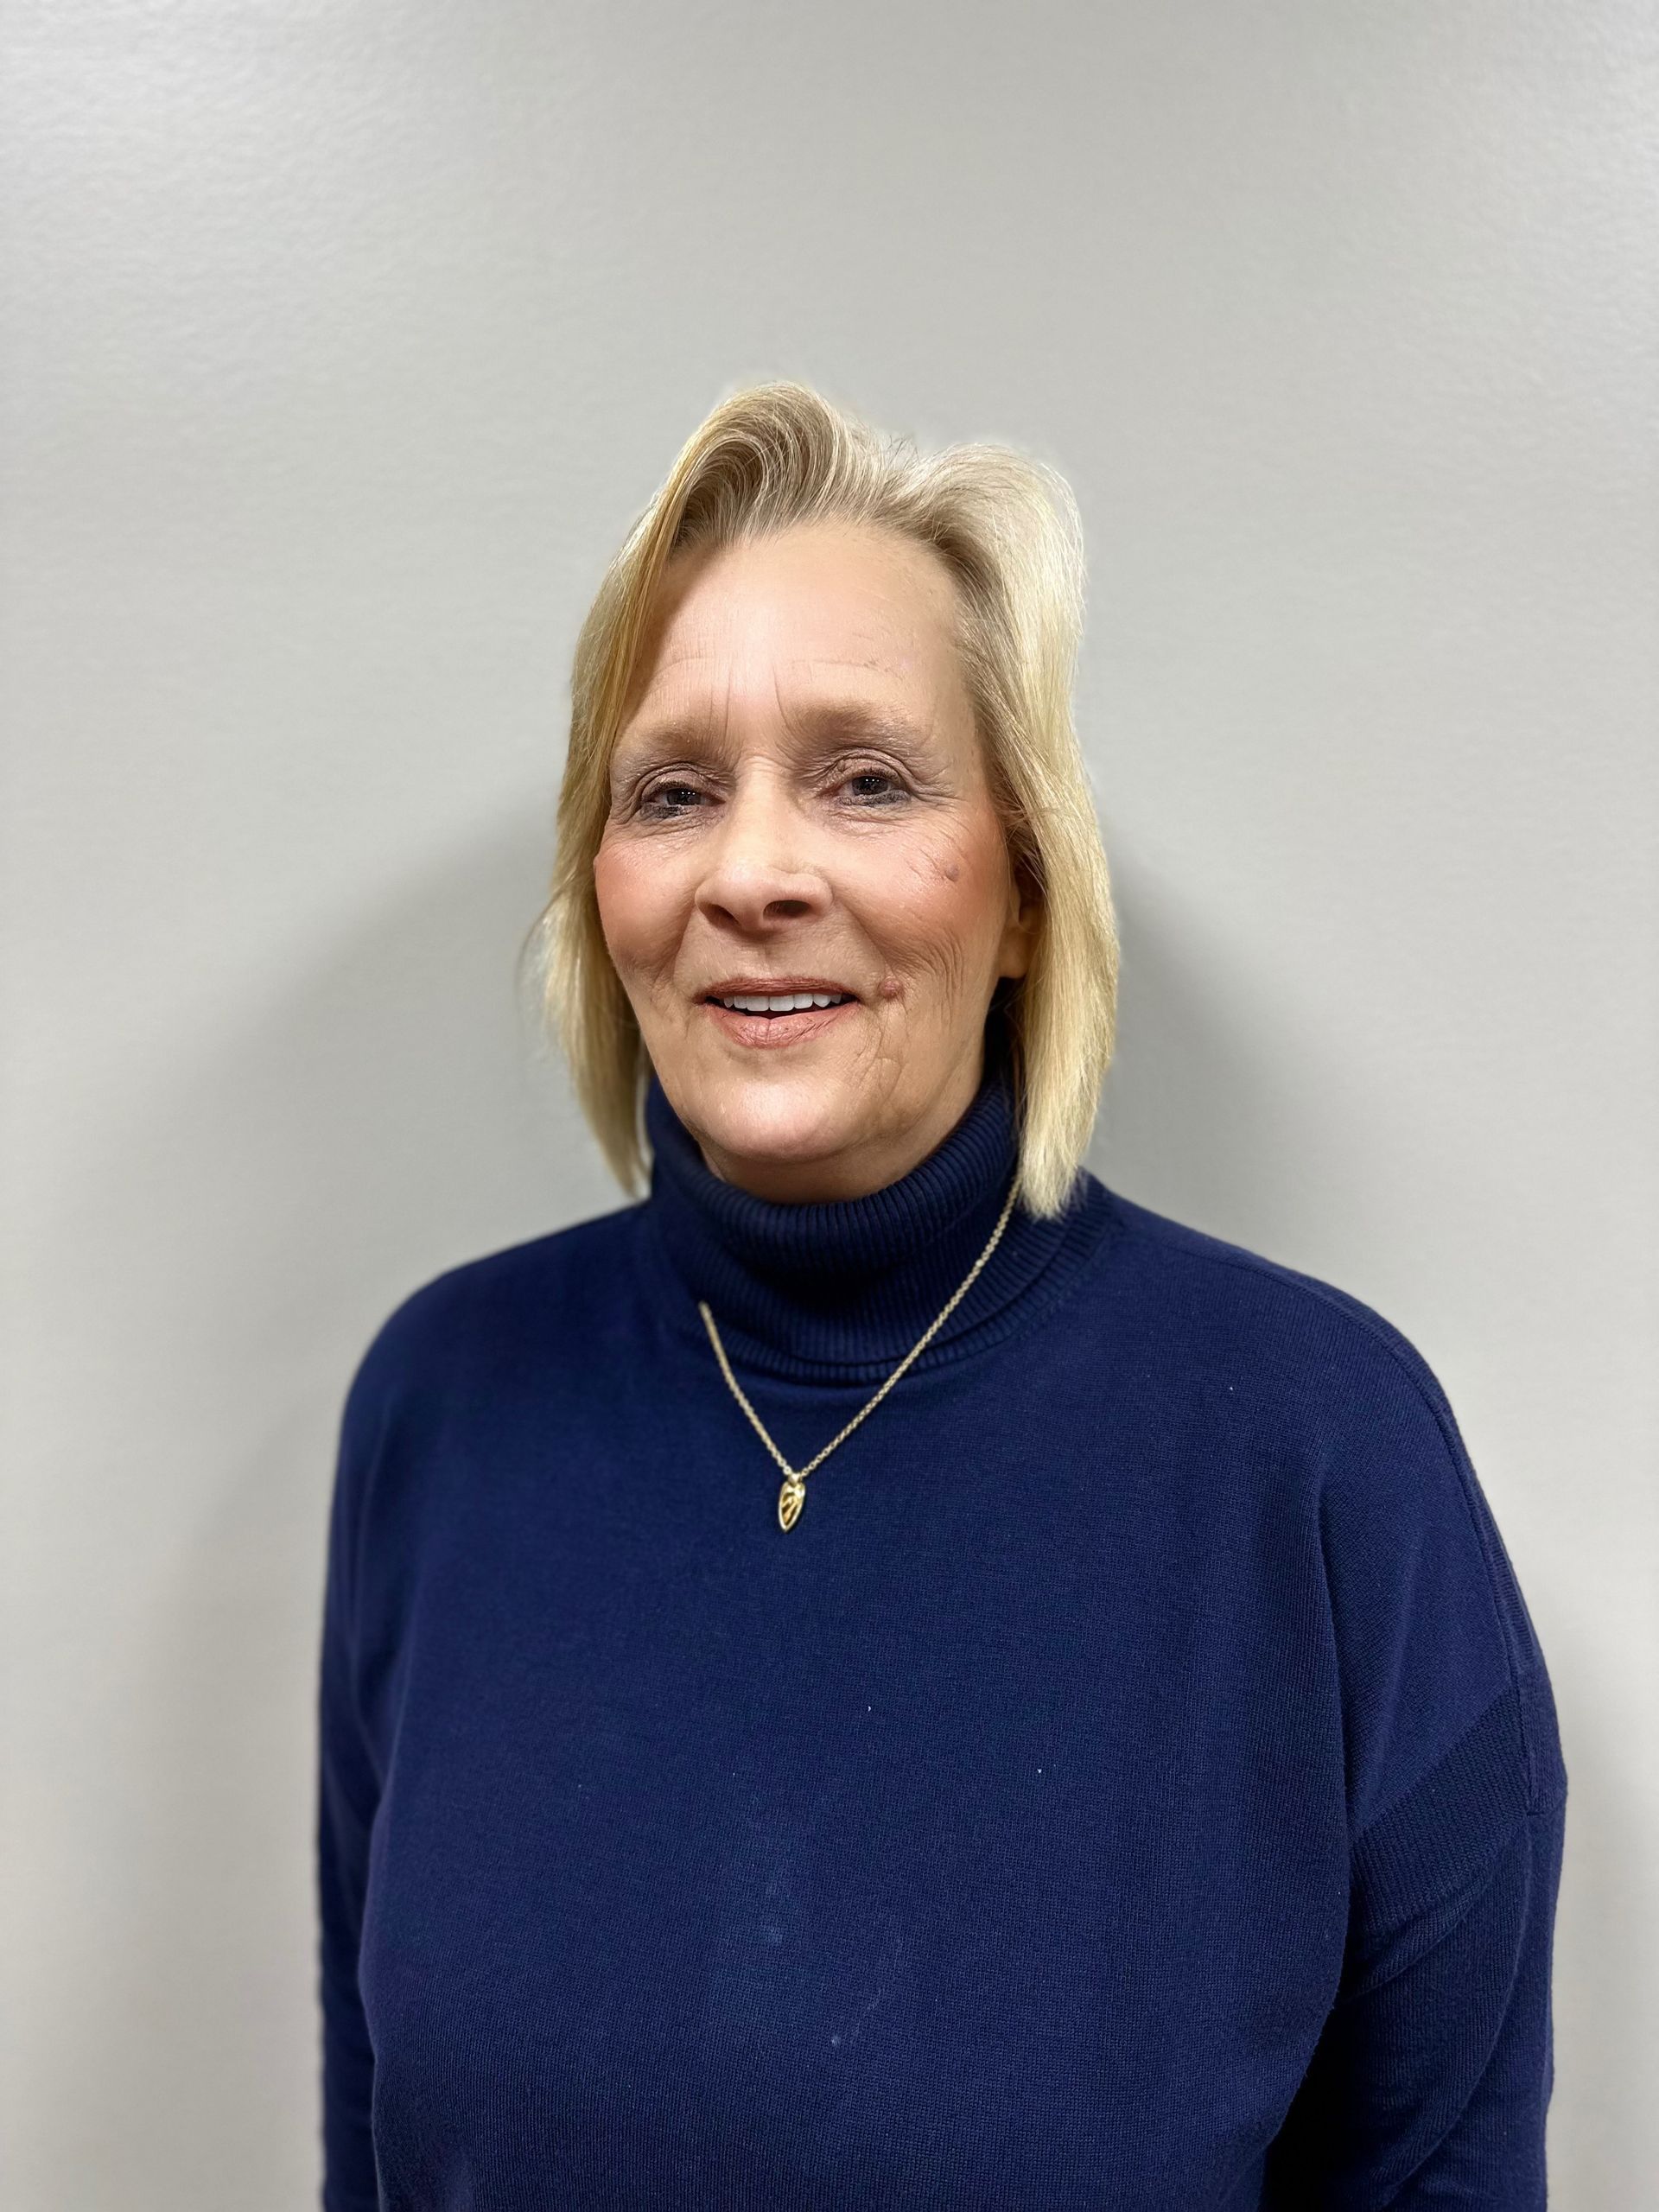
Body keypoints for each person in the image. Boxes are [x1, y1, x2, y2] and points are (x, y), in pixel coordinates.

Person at [315, 381, 1567, 2209]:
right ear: (605, 890)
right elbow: (382, 2144)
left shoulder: (1319, 1455)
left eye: (868, 777)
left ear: (1030, 887)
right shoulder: (443, 1401)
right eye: (672, 791)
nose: (754, 872)